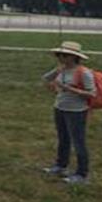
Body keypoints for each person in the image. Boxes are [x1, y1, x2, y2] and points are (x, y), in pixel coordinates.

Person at [41, 41, 95, 185]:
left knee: (78, 142)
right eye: (59, 54)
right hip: (60, 108)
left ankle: (82, 174)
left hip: (77, 112)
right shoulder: (61, 69)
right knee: (63, 138)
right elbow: (46, 78)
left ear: (74, 57)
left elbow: (92, 93)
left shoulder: (84, 73)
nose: (60, 57)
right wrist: (54, 82)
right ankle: (61, 166)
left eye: (64, 55)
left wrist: (68, 89)